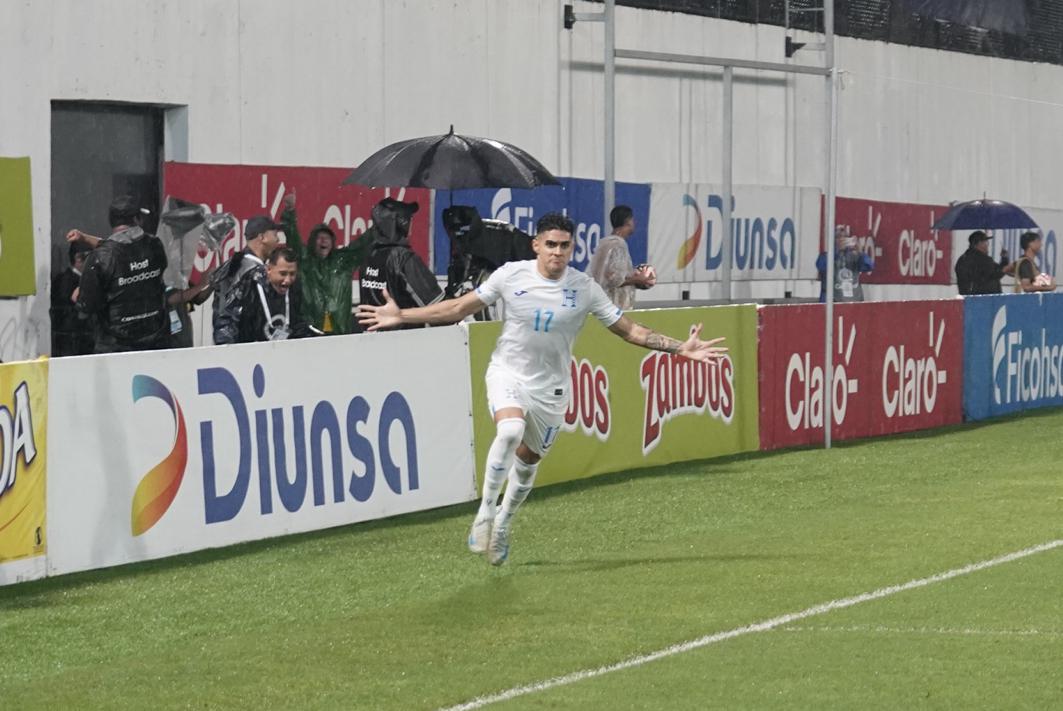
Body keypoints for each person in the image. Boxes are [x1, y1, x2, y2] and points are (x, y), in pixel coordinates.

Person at [357, 213, 727, 567]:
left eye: (565, 246)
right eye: (550, 244)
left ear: (572, 248)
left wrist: (679, 347)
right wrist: (401, 315)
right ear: (535, 245)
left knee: (529, 461)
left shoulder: (583, 288)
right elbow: (456, 308)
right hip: (508, 374)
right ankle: (485, 513)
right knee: (510, 430)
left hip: (551, 390)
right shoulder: (510, 275)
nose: (557, 252)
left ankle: (504, 523)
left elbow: (629, 330)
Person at [73, 196, 170, 353]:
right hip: (156, 343)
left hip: (116, 348)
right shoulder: (155, 246)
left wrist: (79, 295)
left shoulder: (100, 257)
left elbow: (86, 308)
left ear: (112, 221)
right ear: (137, 219)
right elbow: (126, 246)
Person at [280, 192, 366, 335]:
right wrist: (289, 211)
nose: (324, 241)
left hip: (340, 334)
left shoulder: (344, 262)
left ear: (333, 243)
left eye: (327, 238)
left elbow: (364, 243)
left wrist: (383, 224)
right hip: (311, 334)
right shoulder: (305, 261)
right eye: (319, 238)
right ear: (312, 242)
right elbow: (292, 235)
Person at [359, 198, 442, 329]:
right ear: (402, 222)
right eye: (410, 218)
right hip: (404, 341)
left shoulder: (368, 255)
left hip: (371, 340)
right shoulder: (403, 258)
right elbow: (439, 310)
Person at [211, 215, 283, 344]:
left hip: (238, 347)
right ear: (262, 237)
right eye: (275, 234)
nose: (278, 240)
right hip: (245, 349)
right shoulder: (252, 271)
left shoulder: (235, 263)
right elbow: (229, 312)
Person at [588, 204, 656, 309]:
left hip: (598, 304)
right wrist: (639, 280)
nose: (634, 223)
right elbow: (614, 279)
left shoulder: (604, 243)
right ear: (628, 221)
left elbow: (607, 274)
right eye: (633, 220)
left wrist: (632, 275)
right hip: (612, 309)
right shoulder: (618, 245)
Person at [236, 247, 310, 343]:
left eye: (292, 274)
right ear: (269, 269)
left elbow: (299, 323)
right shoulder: (252, 288)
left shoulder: (295, 288)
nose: (287, 280)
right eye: (283, 274)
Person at [50, 241, 95, 356]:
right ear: (78, 258)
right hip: (75, 343)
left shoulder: (66, 279)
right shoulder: (67, 281)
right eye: (90, 257)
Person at [816, 225, 874, 302]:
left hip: (854, 302)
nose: (842, 240)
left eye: (845, 238)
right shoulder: (826, 256)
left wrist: (860, 251)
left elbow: (869, 266)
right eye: (838, 237)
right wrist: (836, 251)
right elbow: (821, 266)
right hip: (832, 302)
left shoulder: (855, 256)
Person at [955, 231, 1010, 295]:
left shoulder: (962, 259)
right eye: (986, 242)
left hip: (966, 299)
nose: (987, 245)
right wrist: (1005, 268)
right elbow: (995, 273)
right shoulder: (983, 259)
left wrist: (1004, 260)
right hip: (985, 298)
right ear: (979, 243)